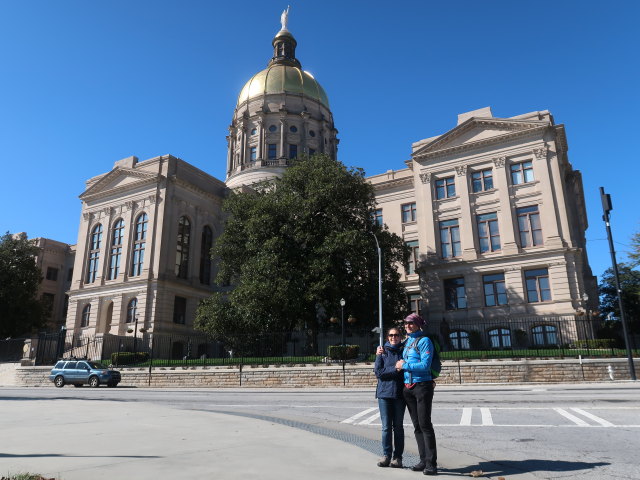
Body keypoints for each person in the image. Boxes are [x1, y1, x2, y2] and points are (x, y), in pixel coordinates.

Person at [395, 313, 438, 476]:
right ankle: (422, 460)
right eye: (406, 323)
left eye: (411, 323)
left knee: (425, 424)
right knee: (417, 426)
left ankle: (431, 464)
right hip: (408, 388)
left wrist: (404, 364)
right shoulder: (407, 342)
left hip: (422, 386)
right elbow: (393, 344)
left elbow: (425, 365)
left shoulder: (424, 341)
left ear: (419, 325)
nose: (407, 326)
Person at [374, 327, 406, 468]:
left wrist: (398, 369)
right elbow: (378, 372)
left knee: (398, 427)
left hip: (399, 394)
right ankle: (386, 455)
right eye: (391, 335)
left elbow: (406, 369)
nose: (394, 337)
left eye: (397, 335)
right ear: (388, 337)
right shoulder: (382, 351)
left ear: (400, 337)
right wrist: (396, 369)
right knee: (386, 427)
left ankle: (397, 457)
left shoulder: (404, 351)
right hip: (384, 394)